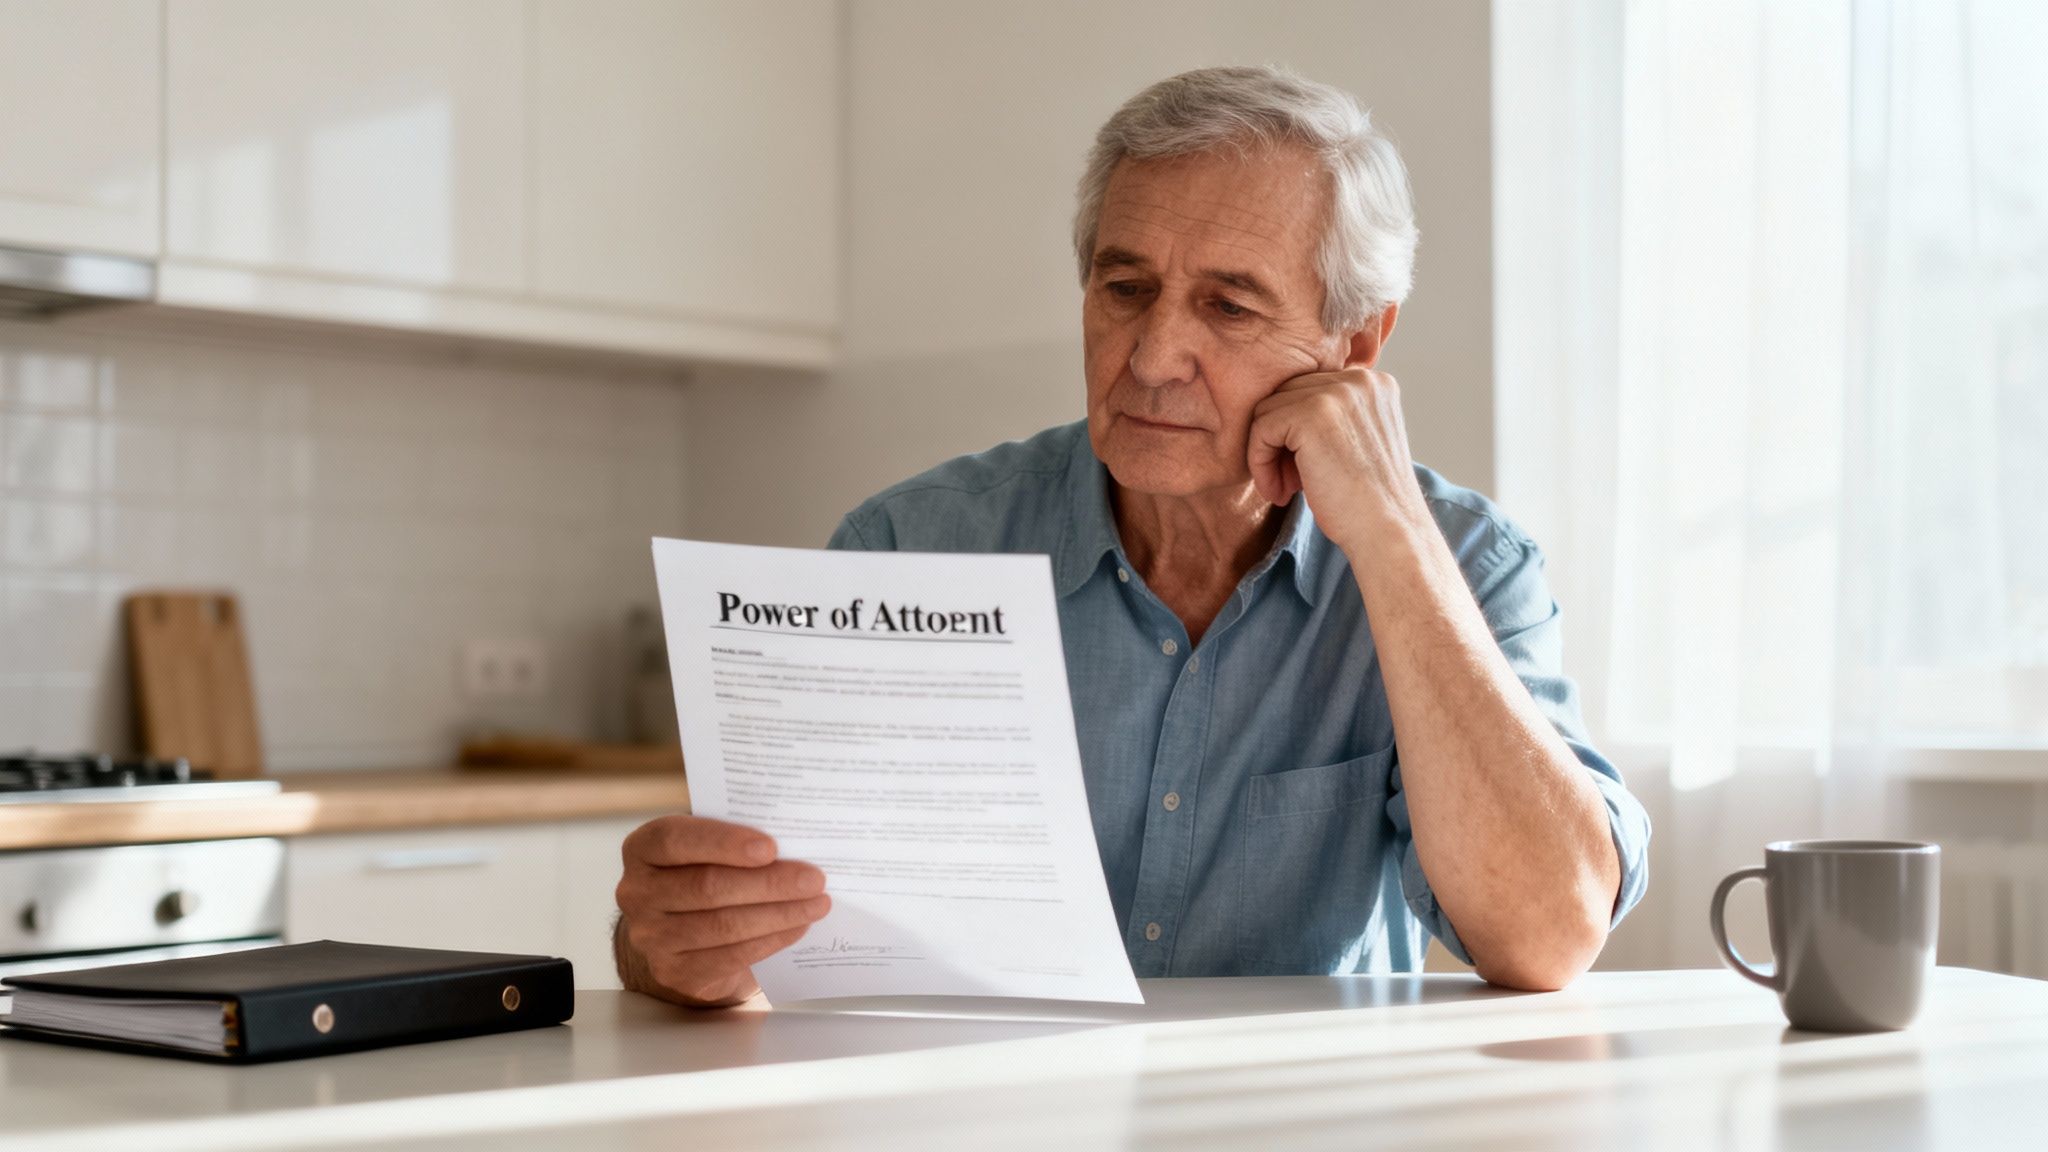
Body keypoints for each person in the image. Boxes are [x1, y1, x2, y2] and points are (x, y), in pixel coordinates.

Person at [614, 65, 1650, 1008]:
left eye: (1227, 307)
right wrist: (669, 943)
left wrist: (1387, 540)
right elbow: (743, 930)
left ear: (1354, 343)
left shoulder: (1467, 564)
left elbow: (1546, 937)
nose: (1152, 356)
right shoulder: (907, 545)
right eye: (1124, 289)